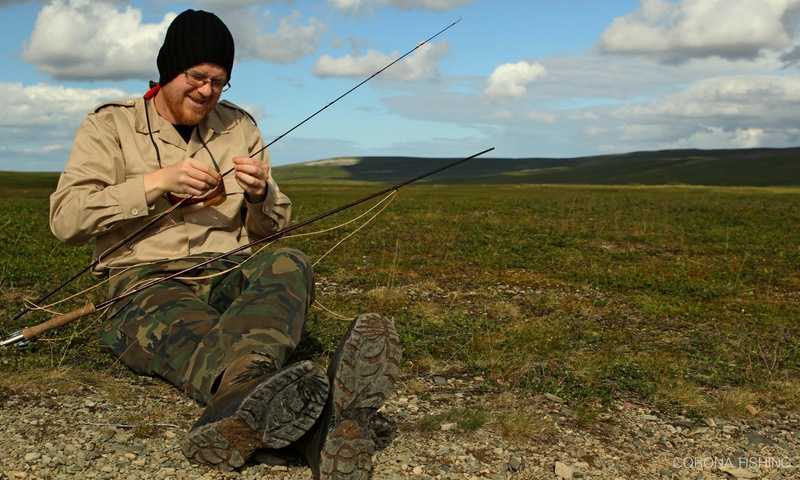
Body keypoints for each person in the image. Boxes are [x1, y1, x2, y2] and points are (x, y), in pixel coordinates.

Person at [48, 9, 400, 479]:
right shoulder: (109, 127)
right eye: (197, 76)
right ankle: (323, 426)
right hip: (145, 279)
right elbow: (65, 220)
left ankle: (249, 404)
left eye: (220, 81)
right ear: (168, 70)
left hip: (226, 269)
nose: (207, 91)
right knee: (183, 322)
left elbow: (270, 233)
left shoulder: (241, 128)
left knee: (287, 262)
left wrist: (261, 195)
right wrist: (153, 184)